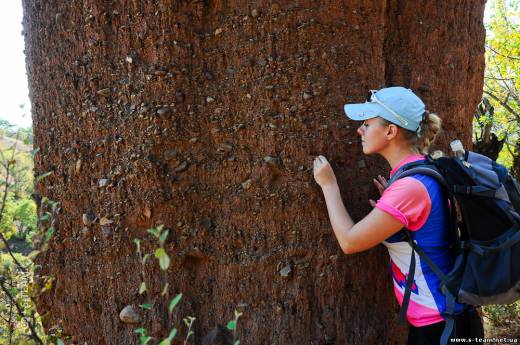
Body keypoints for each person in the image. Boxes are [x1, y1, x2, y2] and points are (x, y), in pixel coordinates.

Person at [312, 87, 484, 345]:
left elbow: (349, 242)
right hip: (445, 319)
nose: (360, 130)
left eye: (368, 124)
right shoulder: (419, 170)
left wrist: (329, 185)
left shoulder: (409, 188)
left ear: (391, 131)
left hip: (441, 327)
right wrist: (392, 200)